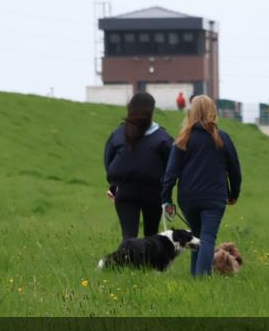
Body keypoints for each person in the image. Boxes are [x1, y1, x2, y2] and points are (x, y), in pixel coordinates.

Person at [162, 95, 242, 277]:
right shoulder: (223, 139)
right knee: (207, 237)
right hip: (214, 198)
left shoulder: (182, 139)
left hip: (188, 198)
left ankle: (195, 277)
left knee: (197, 236)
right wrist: (233, 193)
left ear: (192, 113)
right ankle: (201, 279)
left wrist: (166, 198)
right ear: (213, 112)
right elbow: (235, 171)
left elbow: (170, 173)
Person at [104, 92, 174, 240]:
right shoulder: (162, 137)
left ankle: (128, 262)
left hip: (123, 190)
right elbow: (171, 166)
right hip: (153, 192)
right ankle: (149, 263)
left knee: (129, 235)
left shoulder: (118, 133)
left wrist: (113, 184)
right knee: (151, 234)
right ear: (152, 112)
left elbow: (108, 159)